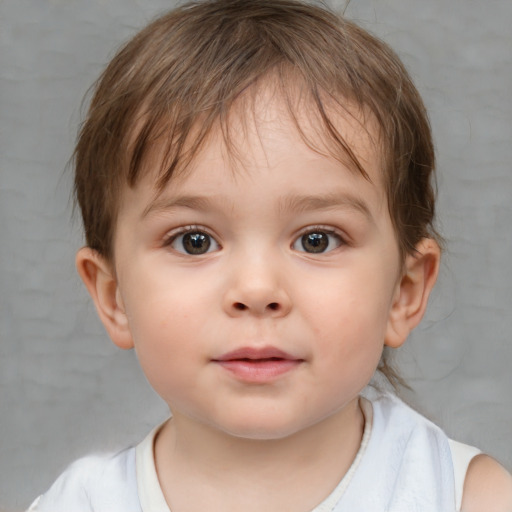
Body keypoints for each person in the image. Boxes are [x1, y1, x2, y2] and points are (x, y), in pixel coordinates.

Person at [28, 1, 512, 510]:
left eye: (316, 239)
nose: (257, 290)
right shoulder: (79, 503)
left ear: (404, 292)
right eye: (194, 240)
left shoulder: (467, 498)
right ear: (113, 297)